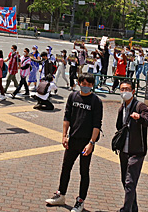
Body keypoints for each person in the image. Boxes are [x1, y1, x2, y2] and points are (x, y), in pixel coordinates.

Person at [45, 73, 103, 212]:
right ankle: (60, 195)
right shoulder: (73, 96)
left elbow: (97, 124)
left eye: (89, 84)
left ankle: (80, 200)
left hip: (86, 143)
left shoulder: (96, 101)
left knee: (84, 171)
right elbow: (67, 117)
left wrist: (91, 143)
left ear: (92, 85)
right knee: (66, 167)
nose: (86, 86)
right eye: (83, 84)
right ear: (79, 83)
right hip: (73, 139)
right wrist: (64, 136)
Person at [116, 81, 148, 212]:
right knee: (125, 181)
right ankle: (133, 208)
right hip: (124, 150)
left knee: (130, 182)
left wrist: (139, 117)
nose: (124, 92)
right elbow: (118, 126)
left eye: (127, 89)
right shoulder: (122, 107)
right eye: (122, 89)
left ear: (133, 91)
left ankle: (126, 209)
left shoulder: (140, 106)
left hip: (137, 151)